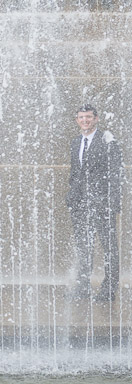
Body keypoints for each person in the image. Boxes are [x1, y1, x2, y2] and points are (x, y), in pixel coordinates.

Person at [66, 104, 124, 302]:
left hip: (103, 204)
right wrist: (71, 197)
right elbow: (75, 172)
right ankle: (83, 287)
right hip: (80, 204)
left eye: (88, 117)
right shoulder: (75, 142)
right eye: (81, 117)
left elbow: (116, 174)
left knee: (109, 248)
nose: (85, 120)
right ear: (76, 120)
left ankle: (109, 290)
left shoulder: (108, 140)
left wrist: (113, 204)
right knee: (84, 247)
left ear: (96, 119)